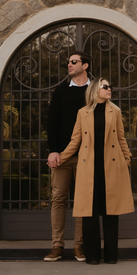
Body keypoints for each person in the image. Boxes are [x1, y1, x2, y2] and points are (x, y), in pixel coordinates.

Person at [57, 77, 134, 265]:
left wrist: (127, 158)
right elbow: (75, 141)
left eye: (110, 86)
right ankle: (92, 256)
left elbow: (121, 138)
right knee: (89, 213)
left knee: (111, 212)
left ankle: (111, 256)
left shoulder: (115, 111)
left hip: (111, 167)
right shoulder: (82, 113)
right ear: (95, 90)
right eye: (105, 86)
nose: (109, 89)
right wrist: (61, 157)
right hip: (89, 168)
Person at [44, 52, 90, 262]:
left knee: (82, 201)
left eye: (74, 62)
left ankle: (79, 246)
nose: (69, 65)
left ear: (85, 65)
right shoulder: (61, 91)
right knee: (58, 199)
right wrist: (53, 149)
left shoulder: (94, 90)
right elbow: (52, 122)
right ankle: (57, 246)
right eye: (68, 62)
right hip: (61, 155)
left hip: (86, 156)